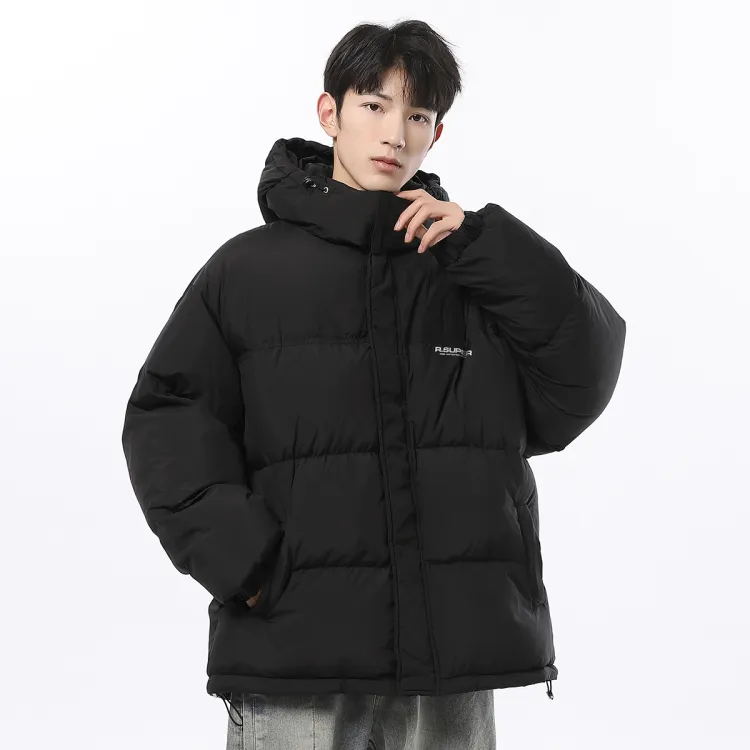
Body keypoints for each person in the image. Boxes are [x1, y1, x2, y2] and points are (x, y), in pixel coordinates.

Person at [121, 18, 626, 750]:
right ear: (330, 113)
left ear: (436, 135)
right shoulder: (248, 271)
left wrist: (488, 245)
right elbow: (166, 419)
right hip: (298, 651)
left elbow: (583, 372)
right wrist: (246, 564)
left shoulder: (469, 271)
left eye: (417, 115)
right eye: (374, 105)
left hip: (451, 657)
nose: (395, 134)